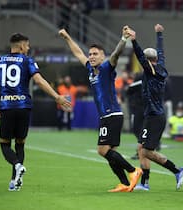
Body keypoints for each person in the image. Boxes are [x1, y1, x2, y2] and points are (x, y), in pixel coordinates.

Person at [58, 26, 142, 193]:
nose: (91, 56)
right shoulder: (91, 69)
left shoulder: (106, 68)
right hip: (107, 116)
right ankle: (125, 184)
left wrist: (123, 39)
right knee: (111, 153)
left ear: (103, 56)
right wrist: (67, 36)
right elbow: (78, 53)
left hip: (112, 114)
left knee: (102, 150)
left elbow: (116, 54)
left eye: (95, 54)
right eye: (91, 54)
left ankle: (133, 170)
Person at [0, 33, 71, 191]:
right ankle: (15, 181)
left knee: (4, 144)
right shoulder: (27, 61)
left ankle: (17, 166)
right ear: (20, 46)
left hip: (6, 106)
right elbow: (39, 81)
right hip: (24, 107)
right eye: (27, 45)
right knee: (20, 144)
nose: (28, 48)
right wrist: (56, 97)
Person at [128, 24, 183, 191]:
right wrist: (159, 34)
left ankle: (177, 170)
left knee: (146, 151)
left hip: (155, 116)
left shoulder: (151, 71)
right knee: (141, 148)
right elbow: (161, 52)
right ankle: (145, 183)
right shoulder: (160, 66)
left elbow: (140, 56)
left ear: (146, 62)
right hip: (152, 114)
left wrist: (134, 40)